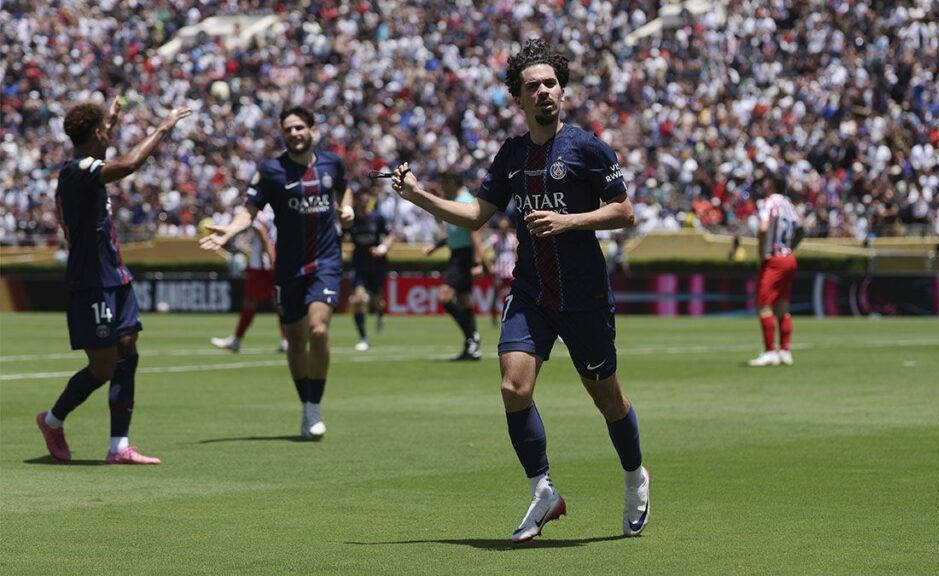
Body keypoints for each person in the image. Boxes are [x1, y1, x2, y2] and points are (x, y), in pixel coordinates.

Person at [390, 38, 649, 542]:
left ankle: (635, 475)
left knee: (608, 398)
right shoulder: (510, 155)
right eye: (533, 86)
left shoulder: (588, 148)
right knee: (513, 387)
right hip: (531, 292)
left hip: (585, 297)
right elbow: (476, 215)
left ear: (562, 91)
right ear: (519, 98)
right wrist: (419, 195)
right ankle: (543, 490)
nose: (544, 91)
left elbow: (624, 211)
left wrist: (568, 220)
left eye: (551, 83)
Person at [36, 98, 191, 464]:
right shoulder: (77, 171)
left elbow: (101, 147)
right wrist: (163, 127)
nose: (109, 135)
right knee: (104, 366)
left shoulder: (85, 164)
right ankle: (52, 420)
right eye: (105, 131)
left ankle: (119, 446)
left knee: (127, 348)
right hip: (91, 281)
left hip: (115, 275)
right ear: (96, 134)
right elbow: (129, 164)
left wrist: (111, 120)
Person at [200, 105, 354, 439]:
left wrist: (347, 207)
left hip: (326, 262)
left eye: (300, 127)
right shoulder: (271, 171)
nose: (294, 133)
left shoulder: (331, 163)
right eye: (288, 129)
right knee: (296, 340)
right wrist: (229, 231)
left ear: (312, 129)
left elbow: (344, 188)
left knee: (318, 330)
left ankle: (315, 406)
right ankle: (305, 406)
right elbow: (249, 211)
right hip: (288, 267)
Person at [422, 173, 486, 360]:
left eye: (443, 183)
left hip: (464, 256)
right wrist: (435, 246)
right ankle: (471, 346)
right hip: (457, 255)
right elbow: (453, 234)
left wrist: (477, 262)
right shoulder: (456, 201)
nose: (442, 187)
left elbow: (475, 235)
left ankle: (472, 336)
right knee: (464, 300)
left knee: (444, 296)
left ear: (451, 182)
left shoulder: (465, 201)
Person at [210, 205, 289, 353]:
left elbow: (263, 234)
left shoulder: (260, 210)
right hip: (275, 260)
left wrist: (271, 258)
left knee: (252, 302)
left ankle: (237, 340)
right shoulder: (279, 208)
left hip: (261, 264)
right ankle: (286, 340)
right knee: (279, 302)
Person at [748, 174, 804, 367]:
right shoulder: (789, 205)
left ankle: (770, 351)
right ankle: (785, 351)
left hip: (774, 259)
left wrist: (761, 253)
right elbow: (801, 229)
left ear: (771, 185)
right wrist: (790, 247)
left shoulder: (768, 203)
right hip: (789, 258)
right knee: (782, 306)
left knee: (764, 305)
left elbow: (763, 228)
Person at [344, 190, 395, 351]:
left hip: (376, 265)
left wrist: (382, 248)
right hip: (359, 265)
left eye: (367, 201)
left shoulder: (377, 218)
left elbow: (391, 236)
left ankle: (380, 313)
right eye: (362, 201)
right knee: (358, 300)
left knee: (376, 301)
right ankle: (363, 338)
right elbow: (341, 235)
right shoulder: (351, 220)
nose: (364, 204)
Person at [486, 215, 518, 327]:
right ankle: (494, 317)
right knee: (496, 295)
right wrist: (490, 265)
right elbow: (483, 250)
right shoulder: (495, 238)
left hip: (510, 270)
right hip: (499, 270)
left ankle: (514, 315)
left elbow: (517, 251)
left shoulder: (512, 238)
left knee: (515, 293)